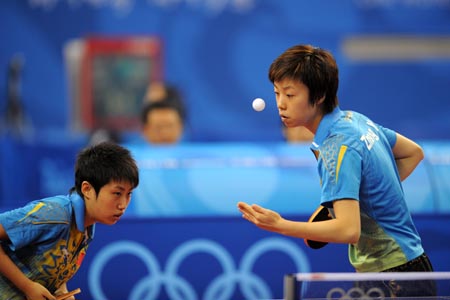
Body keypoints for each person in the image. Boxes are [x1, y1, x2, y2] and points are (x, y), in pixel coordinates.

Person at [237, 44, 436, 297]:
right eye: (277, 93)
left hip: (392, 276)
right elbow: (413, 153)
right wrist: (370, 195)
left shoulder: (336, 147)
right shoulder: (355, 120)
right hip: (404, 266)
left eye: (290, 95)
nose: (280, 104)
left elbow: (347, 230)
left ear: (319, 95)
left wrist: (281, 225)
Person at [0, 141, 139, 299]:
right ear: (87, 189)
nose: (123, 205)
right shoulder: (54, 214)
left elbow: (56, 268)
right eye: (117, 193)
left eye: (129, 194)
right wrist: (27, 286)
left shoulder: (87, 229)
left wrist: (62, 292)